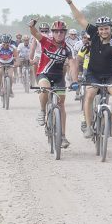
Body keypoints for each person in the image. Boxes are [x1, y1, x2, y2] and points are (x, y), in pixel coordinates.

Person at [65, 0, 112, 139]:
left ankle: (111, 123)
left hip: (111, 74)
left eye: (106, 29)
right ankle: (88, 125)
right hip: (93, 73)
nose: (104, 31)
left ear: (110, 29)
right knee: (90, 94)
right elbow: (80, 18)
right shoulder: (92, 33)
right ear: (97, 30)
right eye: (101, 29)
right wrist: (70, 3)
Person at [29, 19, 76, 148]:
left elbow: (72, 64)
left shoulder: (68, 48)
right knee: (45, 88)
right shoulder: (46, 40)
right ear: (52, 32)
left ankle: (62, 136)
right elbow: (35, 33)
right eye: (56, 31)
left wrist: (75, 81)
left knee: (61, 105)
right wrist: (32, 26)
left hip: (59, 77)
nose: (59, 34)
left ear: (65, 33)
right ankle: (43, 111)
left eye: (61, 32)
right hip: (44, 74)